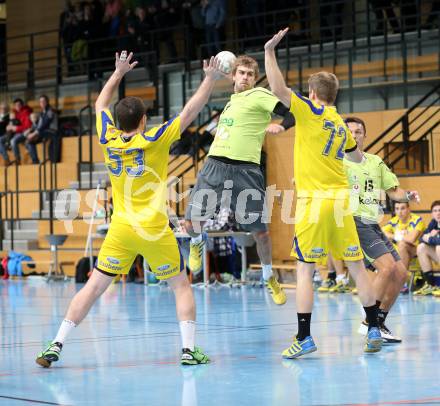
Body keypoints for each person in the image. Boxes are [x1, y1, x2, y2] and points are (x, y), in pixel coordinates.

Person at [36, 50, 223, 368]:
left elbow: (99, 104)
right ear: (143, 121)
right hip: (153, 229)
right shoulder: (156, 138)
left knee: (94, 286)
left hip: (121, 230)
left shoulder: (108, 138)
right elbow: (191, 111)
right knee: (180, 285)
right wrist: (209, 79)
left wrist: (118, 72)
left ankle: (56, 344)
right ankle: (189, 350)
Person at [264, 28, 382, 358]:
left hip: (314, 203)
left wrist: (270, 52)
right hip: (342, 202)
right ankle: (373, 327)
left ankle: (303, 337)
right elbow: (357, 156)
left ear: (313, 92)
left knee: (305, 269)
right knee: (358, 268)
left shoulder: (310, 110)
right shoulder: (341, 124)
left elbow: (277, 88)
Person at [184, 55, 295, 306]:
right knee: (190, 223)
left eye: (250, 74)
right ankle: (196, 242)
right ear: (233, 76)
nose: (245, 77)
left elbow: (293, 113)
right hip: (215, 164)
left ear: (254, 79)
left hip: (247, 171)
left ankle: (269, 276)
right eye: (241, 73)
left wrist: (282, 127)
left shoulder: (260, 96)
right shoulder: (229, 103)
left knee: (261, 233)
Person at [343, 116, 420, 343]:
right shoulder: (337, 162)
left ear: (365, 136)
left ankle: (380, 321)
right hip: (354, 221)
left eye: (359, 132)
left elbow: (394, 190)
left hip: (372, 223)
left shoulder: (375, 162)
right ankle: (370, 322)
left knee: (401, 273)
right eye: (350, 132)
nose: (355, 135)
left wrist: (408, 196)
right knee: (386, 268)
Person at [382, 202, 425, 270]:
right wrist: (396, 236)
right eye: (397, 209)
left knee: (402, 244)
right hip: (399, 253)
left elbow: (411, 239)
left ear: (408, 209)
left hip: (415, 250)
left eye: (402, 208)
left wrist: (395, 236)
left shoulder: (417, 220)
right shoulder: (393, 221)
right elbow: (382, 233)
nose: (400, 212)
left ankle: (402, 277)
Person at [415, 200, 440, 296]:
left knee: (438, 248)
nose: (438, 213)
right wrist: (430, 237)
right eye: (435, 211)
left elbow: (432, 240)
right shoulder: (433, 223)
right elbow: (421, 239)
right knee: (421, 247)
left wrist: (431, 238)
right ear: (432, 214)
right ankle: (431, 285)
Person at [25, 95, 57, 164]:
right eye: (40, 102)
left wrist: (34, 133)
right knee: (29, 141)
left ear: (47, 102)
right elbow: (39, 126)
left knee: (32, 137)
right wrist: (31, 131)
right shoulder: (42, 112)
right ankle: (35, 161)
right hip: (43, 132)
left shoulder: (50, 110)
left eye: (43, 101)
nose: (42, 103)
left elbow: (45, 124)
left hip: (52, 131)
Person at [6, 98, 33, 164]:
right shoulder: (15, 113)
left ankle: (18, 160)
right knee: (0, 139)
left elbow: (28, 127)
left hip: (24, 133)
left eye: (18, 105)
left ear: (22, 105)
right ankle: (6, 159)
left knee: (13, 141)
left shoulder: (26, 112)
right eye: (16, 105)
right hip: (15, 133)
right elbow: (12, 123)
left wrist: (16, 128)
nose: (17, 107)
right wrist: (9, 126)